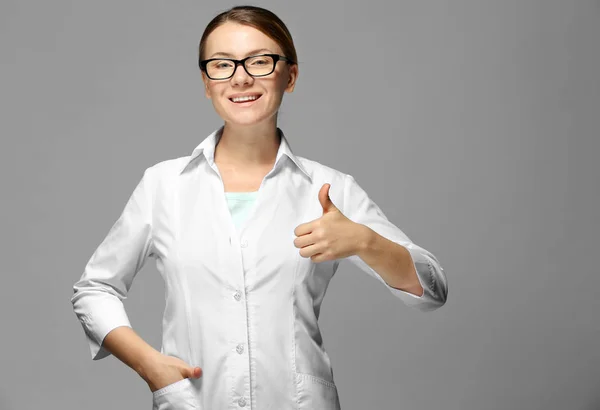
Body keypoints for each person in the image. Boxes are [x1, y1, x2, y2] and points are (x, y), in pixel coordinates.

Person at [70, 5, 448, 410]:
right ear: (206, 81)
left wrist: (365, 241)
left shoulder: (331, 189)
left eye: (260, 61)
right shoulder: (163, 185)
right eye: (222, 64)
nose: (241, 77)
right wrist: (148, 365)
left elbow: (432, 290)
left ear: (291, 74)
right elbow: (94, 289)